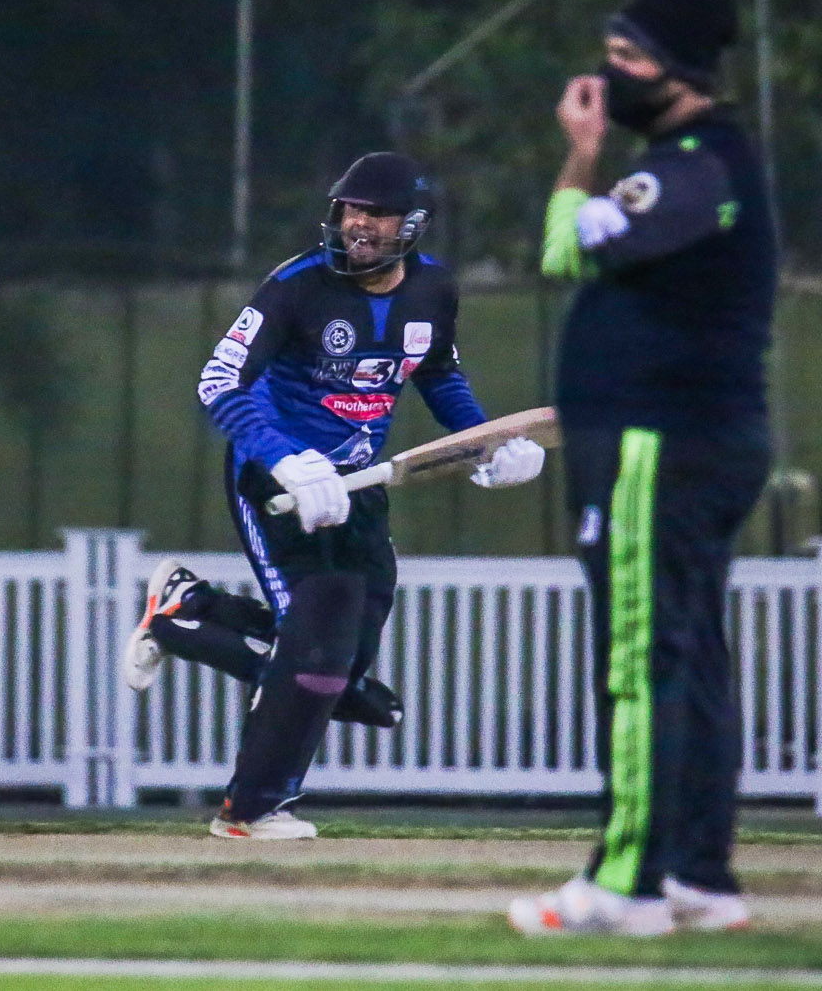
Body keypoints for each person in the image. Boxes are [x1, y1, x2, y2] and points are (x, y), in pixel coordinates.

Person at [122, 151, 547, 839]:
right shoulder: (295, 286)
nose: (358, 225)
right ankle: (252, 808)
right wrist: (287, 460)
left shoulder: (434, 289)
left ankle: (188, 612)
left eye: (376, 214)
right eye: (350, 210)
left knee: (342, 674)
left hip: (359, 487)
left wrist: (488, 443)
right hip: (278, 483)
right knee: (318, 645)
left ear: (411, 224)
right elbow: (218, 383)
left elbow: (438, 376)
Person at [507, 0, 777, 935]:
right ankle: (698, 874)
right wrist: (592, 154)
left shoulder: (695, 162)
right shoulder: (706, 159)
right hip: (689, 436)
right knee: (688, 657)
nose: (608, 71)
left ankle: (624, 885)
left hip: (657, 442)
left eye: (627, 54)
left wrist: (580, 159)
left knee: (639, 660)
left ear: (680, 67)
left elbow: (567, 247)